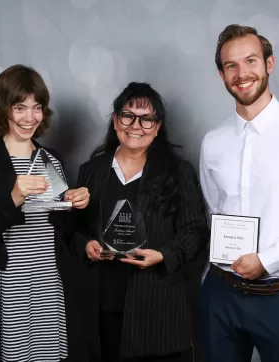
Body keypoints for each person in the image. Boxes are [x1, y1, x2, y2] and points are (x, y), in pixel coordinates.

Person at [0, 64, 90, 362]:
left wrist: (75, 202)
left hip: (43, 284)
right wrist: (14, 197)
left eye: (37, 107)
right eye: (20, 107)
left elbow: (59, 230)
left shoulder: (50, 160)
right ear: (3, 109)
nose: (29, 118)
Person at [72, 82, 208, 362]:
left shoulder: (178, 172)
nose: (136, 125)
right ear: (115, 120)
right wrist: (86, 244)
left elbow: (195, 230)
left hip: (157, 307)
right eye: (128, 116)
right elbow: (73, 230)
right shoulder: (92, 171)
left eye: (147, 119)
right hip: (102, 306)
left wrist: (164, 254)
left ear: (158, 127)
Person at [199, 24, 279, 362]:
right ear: (221, 74)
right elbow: (213, 210)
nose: (242, 73)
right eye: (231, 65)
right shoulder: (213, 142)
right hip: (221, 293)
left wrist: (267, 260)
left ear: (269, 64)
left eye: (251, 61)